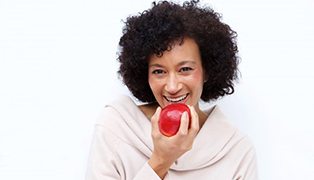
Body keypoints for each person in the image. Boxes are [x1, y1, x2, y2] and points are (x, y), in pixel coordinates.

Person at [86, 0, 258, 179]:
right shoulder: (117, 126)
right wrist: (161, 161)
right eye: (159, 71)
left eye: (185, 69)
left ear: (207, 70)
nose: (172, 87)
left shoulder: (236, 151)